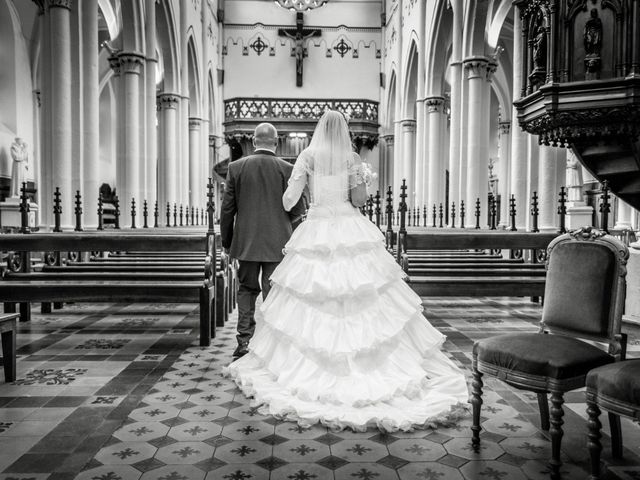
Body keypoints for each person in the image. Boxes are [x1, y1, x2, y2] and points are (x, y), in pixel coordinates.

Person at [225, 110, 469, 432]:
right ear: (344, 132)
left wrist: (305, 194)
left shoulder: (308, 156)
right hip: (350, 228)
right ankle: (367, 364)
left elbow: (288, 201)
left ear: (319, 131)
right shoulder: (352, 158)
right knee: (361, 295)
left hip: (318, 228)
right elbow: (359, 199)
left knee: (312, 296)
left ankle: (297, 362)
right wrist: (361, 182)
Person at [220, 123, 306, 359]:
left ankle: (244, 341)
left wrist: (227, 242)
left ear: (255, 141)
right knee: (274, 292)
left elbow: (227, 210)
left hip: (246, 242)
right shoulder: (287, 169)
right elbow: (298, 210)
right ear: (276, 143)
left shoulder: (236, 167)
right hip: (278, 243)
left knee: (247, 290)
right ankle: (271, 343)